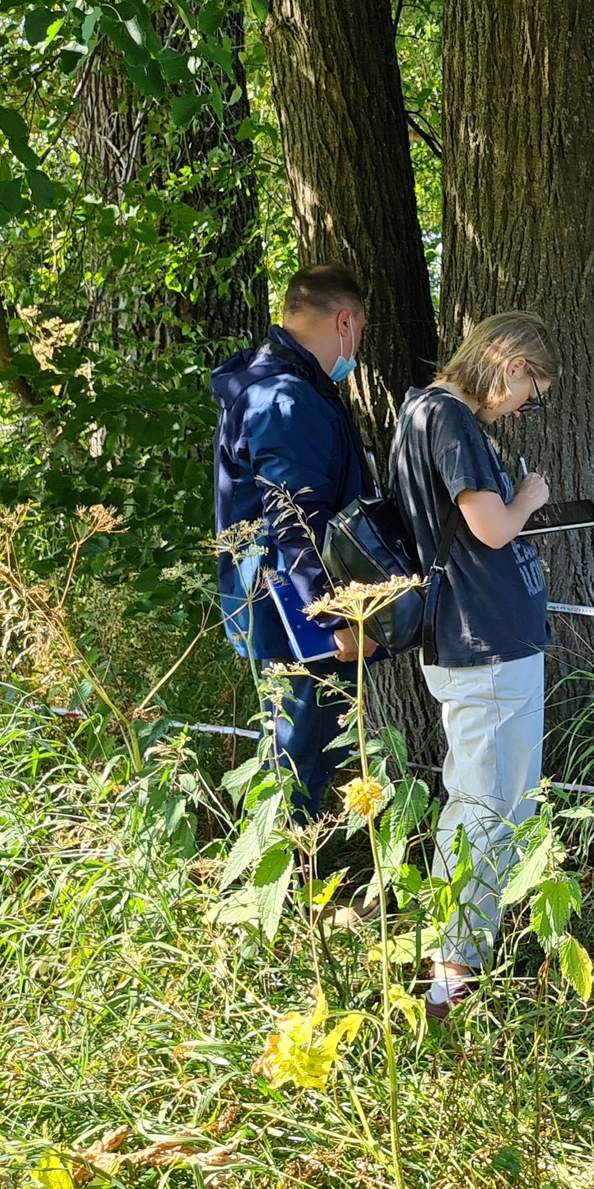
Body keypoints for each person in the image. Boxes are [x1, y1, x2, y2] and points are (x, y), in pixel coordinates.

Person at [389, 311, 556, 1019]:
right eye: (532, 389)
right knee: (492, 805)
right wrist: (530, 498)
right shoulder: (450, 418)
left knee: (488, 799)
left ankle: (458, 951)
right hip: (484, 643)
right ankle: (451, 975)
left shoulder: (421, 414)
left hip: (478, 640)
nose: (525, 406)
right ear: (509, 362)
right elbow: (490, 527)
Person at [212, 265, 375, 817]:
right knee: (297, 761)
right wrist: (336, 619)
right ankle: (279, 897)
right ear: (345, 321)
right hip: (297, 615)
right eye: (360, 332)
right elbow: (295, 517)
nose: (357, 348)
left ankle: (286, 887)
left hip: (271, 603)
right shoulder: (287, 399)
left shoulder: (266, 387)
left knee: (291, 754)